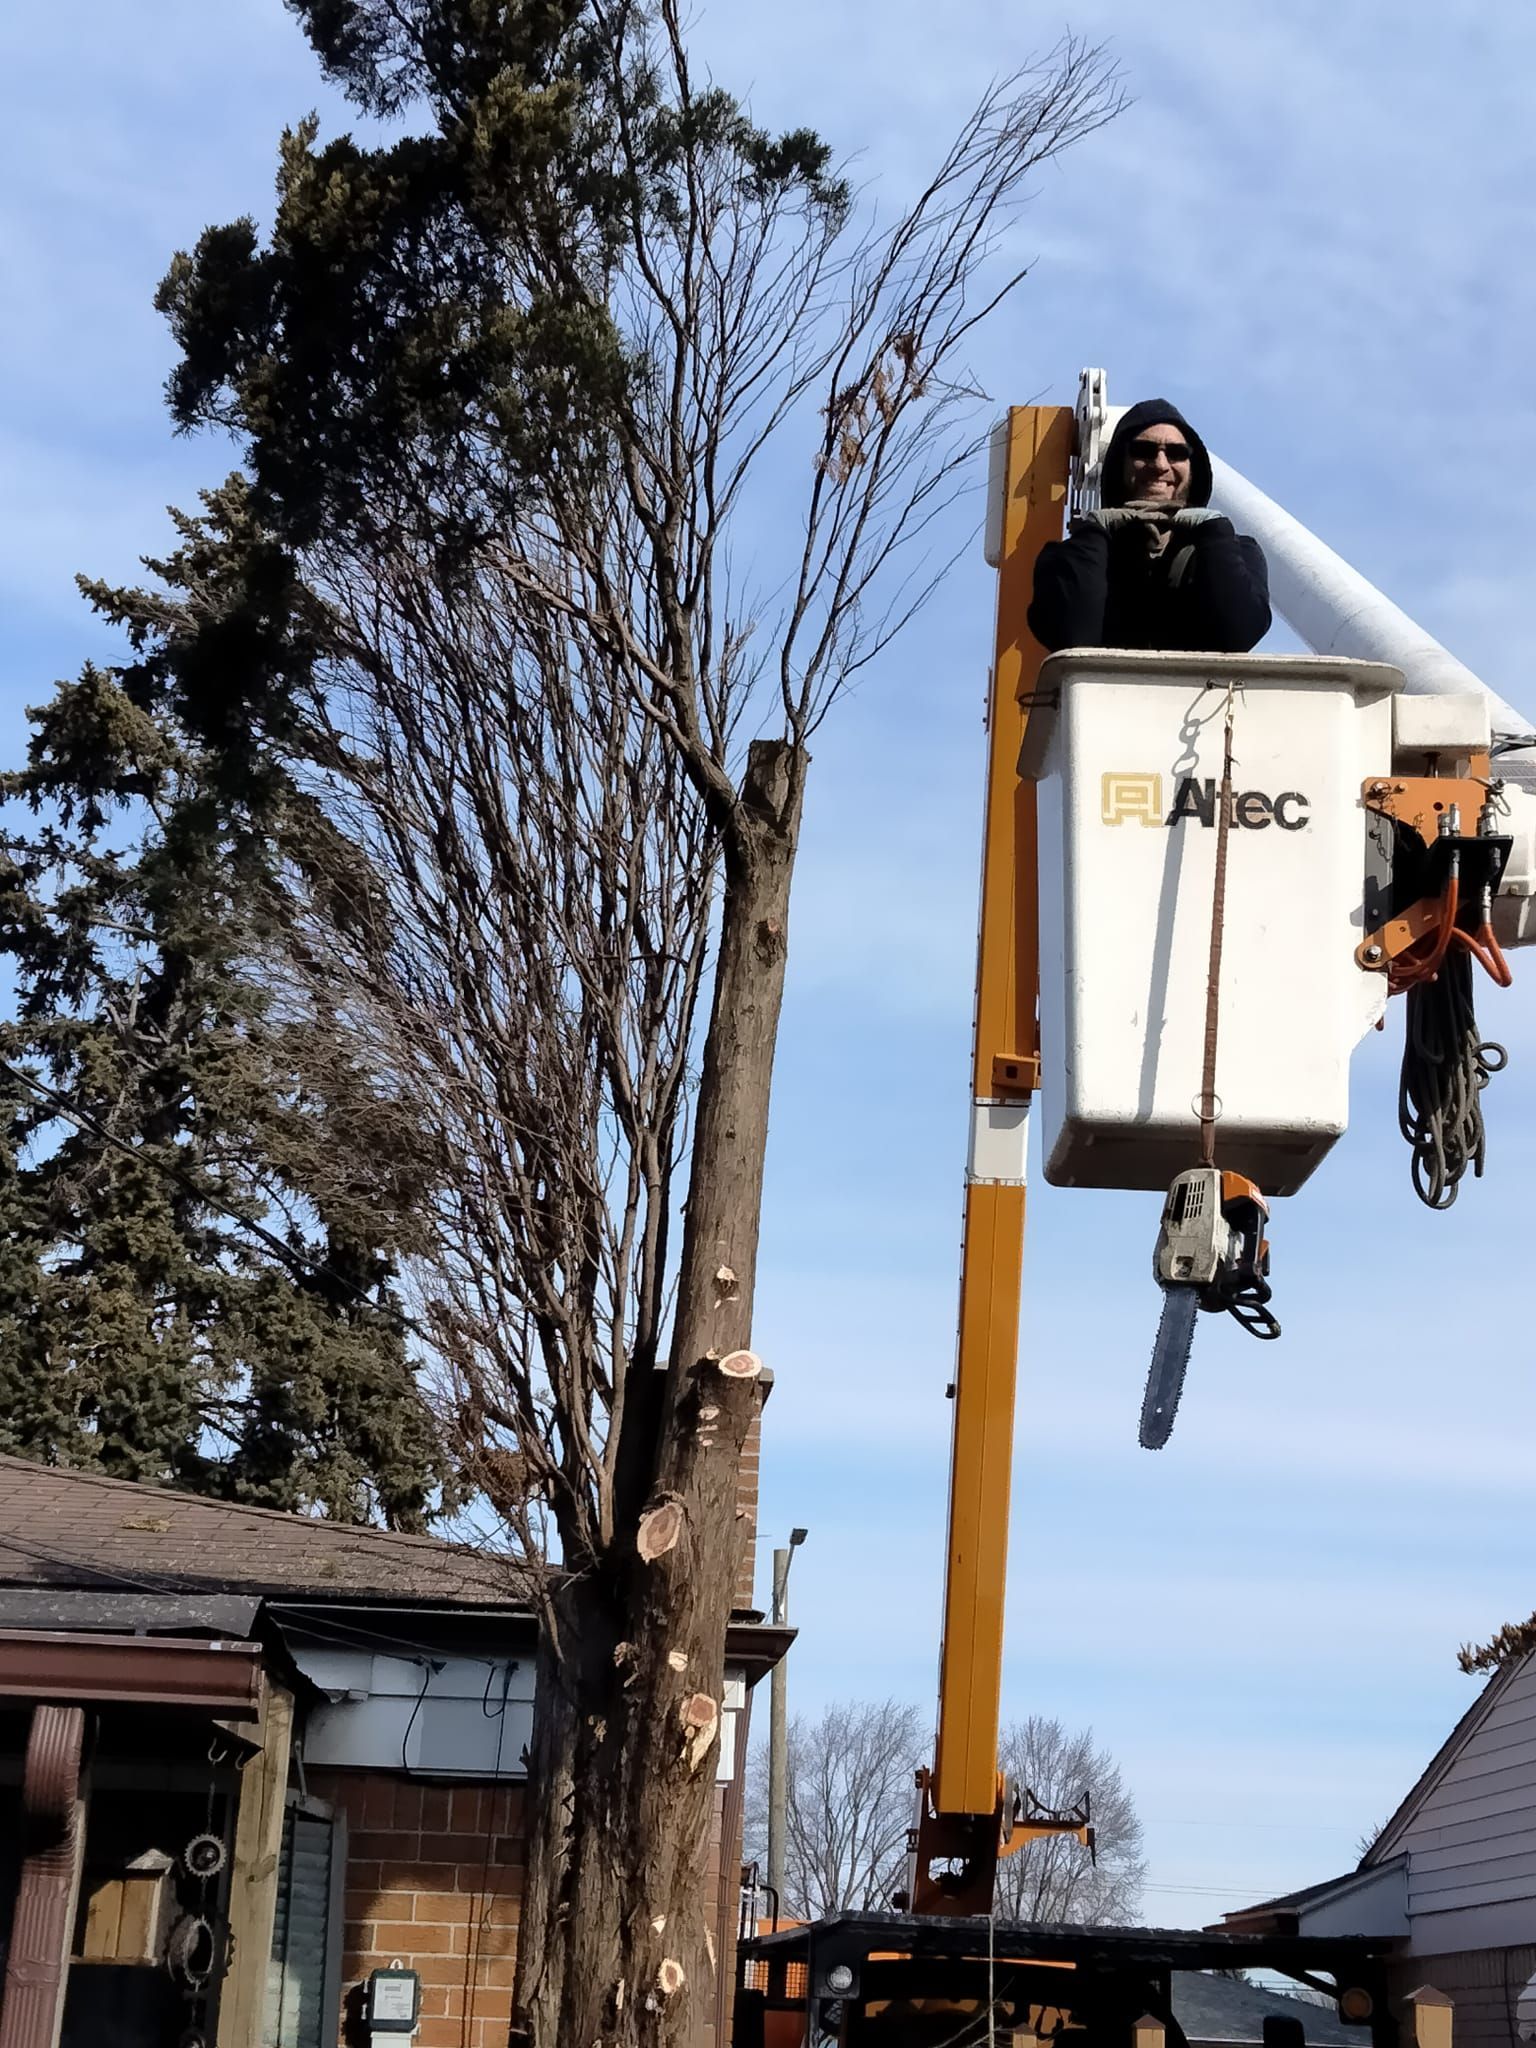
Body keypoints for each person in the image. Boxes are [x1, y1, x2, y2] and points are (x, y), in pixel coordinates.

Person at [1027, 399, 1271, 654]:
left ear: (1193, 468)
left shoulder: (1237, 551)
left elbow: (1238, 633)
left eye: (1177, 453)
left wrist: (1214, 531)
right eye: (1143, 450)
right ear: (1118, 466)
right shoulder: (1067, 559)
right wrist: (1095, 531)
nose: (1160, 465)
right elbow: (1073, 636)